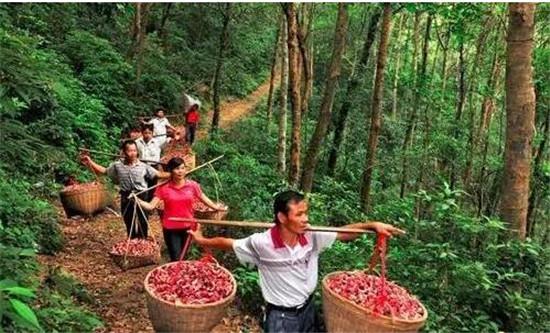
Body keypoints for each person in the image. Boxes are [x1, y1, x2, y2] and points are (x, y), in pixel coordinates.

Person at [188, 190, 405, 333]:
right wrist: (201, 240)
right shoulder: (262, 243)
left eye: (306, 213)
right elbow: (229, 242)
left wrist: (372, 225)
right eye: (299, 214)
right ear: (282, 218)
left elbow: (344, 233)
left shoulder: (312, 235)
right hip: (281, 318)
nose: (306, 219)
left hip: (308, 310)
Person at [134, 157, 227, 261]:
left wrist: (216, 207)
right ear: (170, 170)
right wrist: (137, 200)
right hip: (170, 228)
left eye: (183, 168)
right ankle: (174, 274)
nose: (180, 171)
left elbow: (204, 199)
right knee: (176, 257)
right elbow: (151, 206)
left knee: (183, 256)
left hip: (188, 227)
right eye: (177, 168)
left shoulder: (192, 185)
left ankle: (178, 275)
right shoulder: (163, 188)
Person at [80, 140, 170, 239]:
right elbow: (104, 171)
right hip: (126, 196)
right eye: (130, 151)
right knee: (128, 219)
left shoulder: (143, 166)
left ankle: (142, 242)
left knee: (142, 220)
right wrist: (90, 162)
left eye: (135, 151)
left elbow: (159, 174)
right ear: (124, 152)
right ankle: (131, 242)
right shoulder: (117, 165)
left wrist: (175, 174)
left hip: (141, 194)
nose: (133, 153)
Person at [135, 123, 164, 201]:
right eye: (145, 133)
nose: (147, 135)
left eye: (149, 133)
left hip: (153, 166)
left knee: (152, 186)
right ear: (142, 133)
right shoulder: (137, 142)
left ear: (152, 133)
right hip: (141, 166)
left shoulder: (158, 142)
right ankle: (141, 202)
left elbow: (169, 140)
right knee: (142, 185)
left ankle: (150, 203)